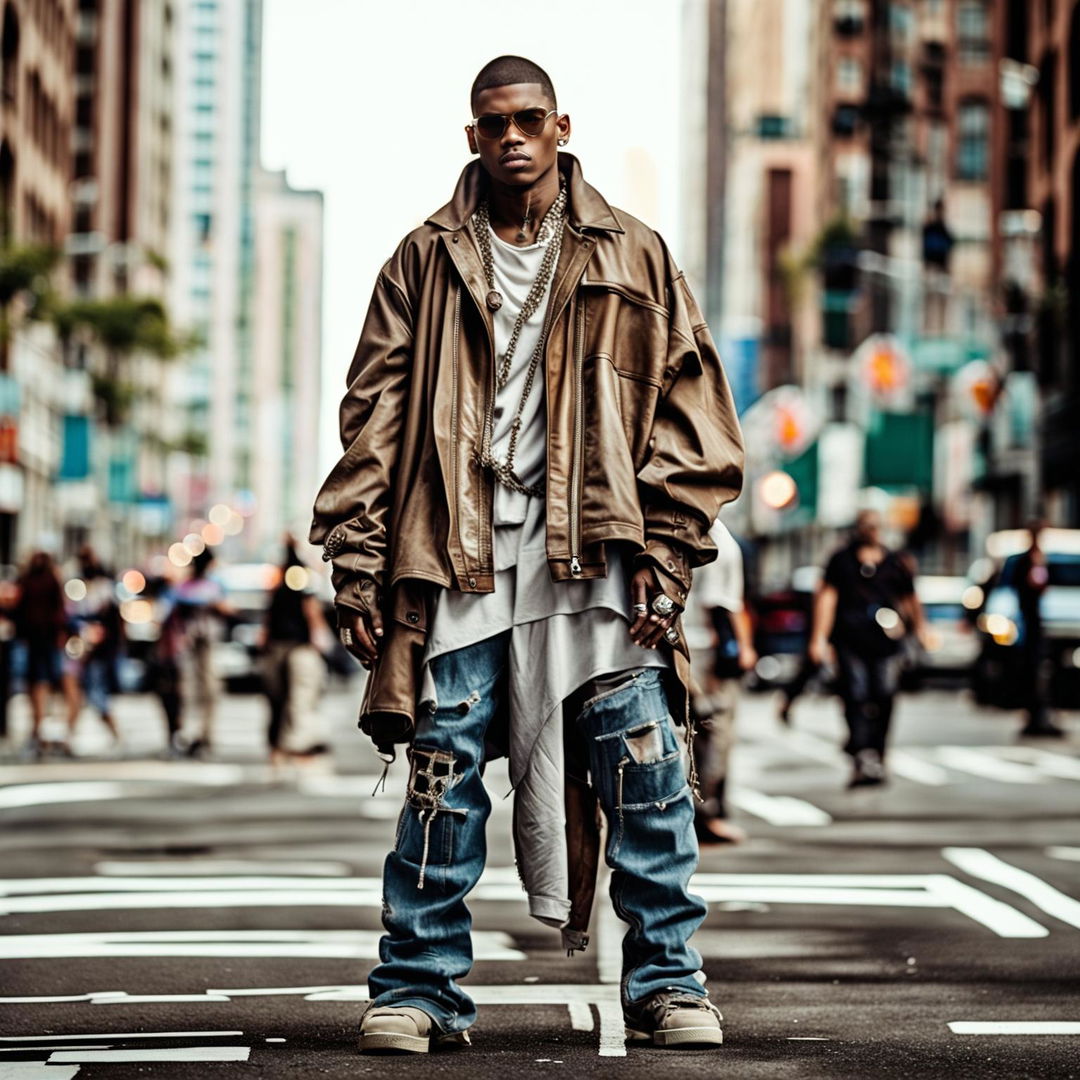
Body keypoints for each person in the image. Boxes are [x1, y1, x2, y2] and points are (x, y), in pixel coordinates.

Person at [310, 56, 743, 1054]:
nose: (512, 136)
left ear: (560, 127)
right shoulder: (421, 260)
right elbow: (371, 421)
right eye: (493, 121)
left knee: (645, 773)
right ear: (472, 136)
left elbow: (693, 415)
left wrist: (668, 552)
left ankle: (671, 983)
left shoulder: (635, 255)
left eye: (530, 119)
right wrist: (356, 558)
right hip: (454, 554)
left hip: (597, 554)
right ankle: (418, 989)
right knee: (439, 775)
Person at [809, 509, 928, 787]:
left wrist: (921, 630)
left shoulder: (895, 562)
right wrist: (819, 638)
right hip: (850, 641)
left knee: (885, 694)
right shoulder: (841, 561)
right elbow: (827, 599)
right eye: (865, 526)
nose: (870, 531)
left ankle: (879, 752)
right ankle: (860, 752)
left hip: (885, 643)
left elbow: (910, 598)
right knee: (856, 693)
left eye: (875, 526)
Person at [688, 521, 756, 844]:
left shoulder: (674, 523)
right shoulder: (716, 537)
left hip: (682, 645)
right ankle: (707, 815)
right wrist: (743, 648)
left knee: (693, 734)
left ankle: (700, 812)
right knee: (714, 733)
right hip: (706, 653)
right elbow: (721, 605)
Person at [261, 541, 333, 773]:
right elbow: (312, 613)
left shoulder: (277, 587)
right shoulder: (302, 585)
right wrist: (320, 639)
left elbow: (267, 624)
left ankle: (281, 747)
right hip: (298, 648)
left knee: (278, 700)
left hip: (278, 648)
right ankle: (295, 745)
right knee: (299, 700)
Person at [172, 549, 231, 758]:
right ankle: (191, 733)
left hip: (206, 644)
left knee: (207, 691)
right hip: (190, 645)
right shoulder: (189, 587)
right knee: (191, 691)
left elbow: (228, 609)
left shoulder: (211, 586)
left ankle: (203, 734)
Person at [64, 546, 124, 752]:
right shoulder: (77, 588)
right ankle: (69, 736)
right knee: (75, 695)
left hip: (98, 653)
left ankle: (116, 735)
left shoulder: (105, 589)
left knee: (97, 695)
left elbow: (113, 623)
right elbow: (70, 618)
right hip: (79, 650)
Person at [13, 551, 70, 757]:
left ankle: (39, 731)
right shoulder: (45, 581)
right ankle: (39, 731)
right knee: (42, 687)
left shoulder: (31, 581)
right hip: (39, 642)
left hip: (36, 642)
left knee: (37, 687)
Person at [1013, 520, 1064, 737]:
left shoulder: (1040, 558)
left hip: (1036, 623)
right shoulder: (1026, 560)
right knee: (1031, 671)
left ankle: (1040, 715)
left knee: (1041, 671)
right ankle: (1034, 717)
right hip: (1028, 623)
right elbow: (1032, 585)